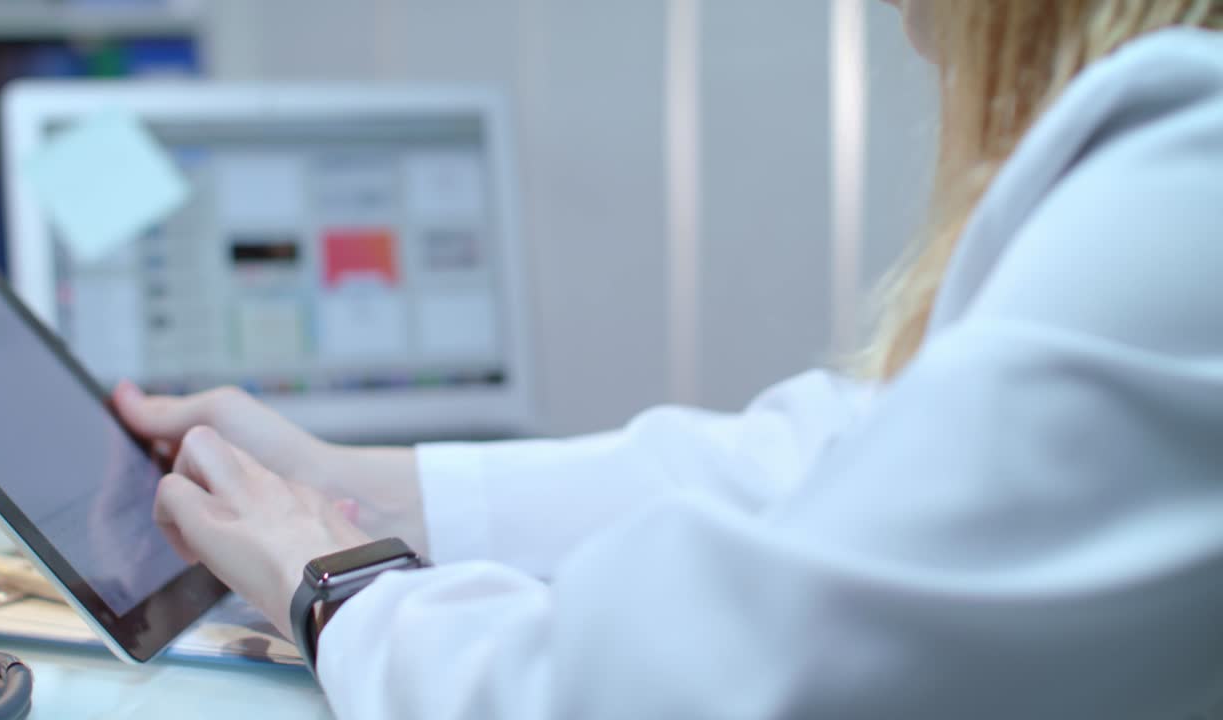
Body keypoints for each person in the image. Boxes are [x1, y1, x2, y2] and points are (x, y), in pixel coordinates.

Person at [114, 0, 1223, 717]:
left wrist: (339, 586)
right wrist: (343, 487)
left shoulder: (1181, 199)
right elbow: (839, 456)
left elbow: (703, 680)